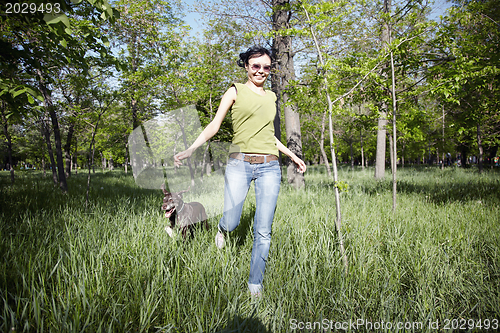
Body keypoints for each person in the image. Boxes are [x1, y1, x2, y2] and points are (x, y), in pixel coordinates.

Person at [174, 46, 306, 296]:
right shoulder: (235, 91)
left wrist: (292, 156)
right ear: (246, 66)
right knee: (233, 220)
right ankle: (222, 229)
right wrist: (191, 149)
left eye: (266, 67)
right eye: (255, 65)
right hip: (239, 164)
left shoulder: (272, 97)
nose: (261, 71)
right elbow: (215, 124)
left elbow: (270, 137)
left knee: (264, 229)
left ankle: (255, 284)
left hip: (269, 166)